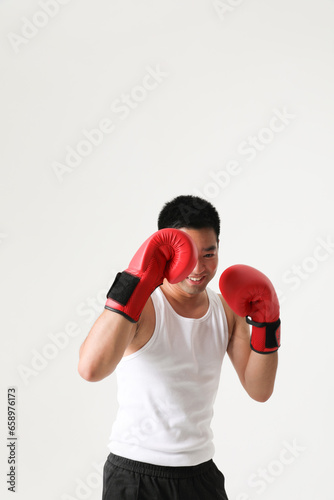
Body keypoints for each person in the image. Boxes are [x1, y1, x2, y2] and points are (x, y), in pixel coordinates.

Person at [78, 195, 280, 500]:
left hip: (201, 474)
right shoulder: (143, 306)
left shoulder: (227, 310)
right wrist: (132, 285)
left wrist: (268, 326)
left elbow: (259, 390)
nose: (199, 268)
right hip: (136, 474)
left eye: (209, 254)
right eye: (190, 255)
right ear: (167, 251)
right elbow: (90, 369)